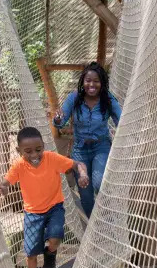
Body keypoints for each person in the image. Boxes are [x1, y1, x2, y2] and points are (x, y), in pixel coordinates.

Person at [0, 126, 89, 268]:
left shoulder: (51, 159)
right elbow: (7, 183)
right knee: (30, 253)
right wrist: (3, 188)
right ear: (19, 151)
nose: (35, 155)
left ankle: (50, 254)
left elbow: (77, 164)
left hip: (54, 208)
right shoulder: (19, 166)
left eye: (38, 149)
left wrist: (82, 174)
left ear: (44, 146)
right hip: (32, 213)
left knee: (56, 236)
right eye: (28, 151)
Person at [52, 62, 122, 218]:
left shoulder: (108, 99)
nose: (92, 84)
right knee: (85, 193)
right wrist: (58, 119)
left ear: (102, 83)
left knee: (99, 183)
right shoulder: (74, 98)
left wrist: (124, 132)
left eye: (96, 81)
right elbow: (60, 122)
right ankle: (93, 227)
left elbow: (121, 120)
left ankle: (108, 217)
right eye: (88, 80)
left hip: (101, 147)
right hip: (80, 150)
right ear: (83, 82)